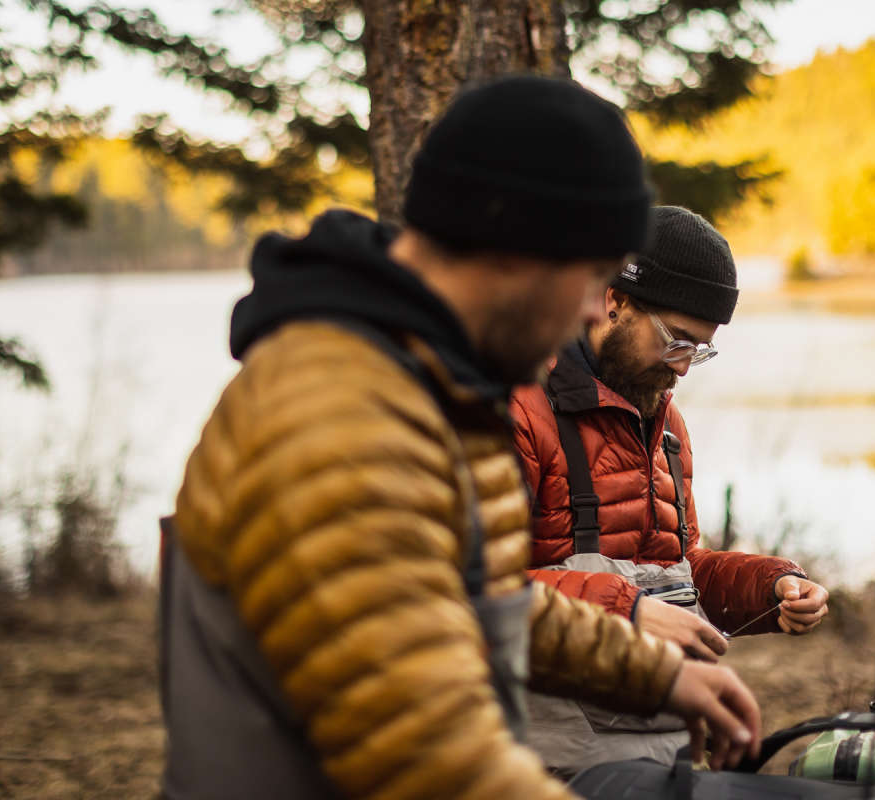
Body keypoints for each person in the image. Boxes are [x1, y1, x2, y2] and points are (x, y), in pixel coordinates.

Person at [159, 78, 763, 800]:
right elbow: (419, 750)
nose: (588, 313)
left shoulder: (433, 385)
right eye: (589, 278)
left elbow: (482, 603)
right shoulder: (338, 413)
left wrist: (660, 673)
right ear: (513, 248)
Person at [511, 205, 830, 774]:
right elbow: (474, 592)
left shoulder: (666, 425)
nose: (682, 368)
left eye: (698, 350)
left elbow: (678, 572)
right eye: (676, 340)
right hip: (550, 766)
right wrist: (627, 611)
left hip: (666, 746)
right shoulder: (519, 408)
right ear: (616, 301)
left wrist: (770, 585)